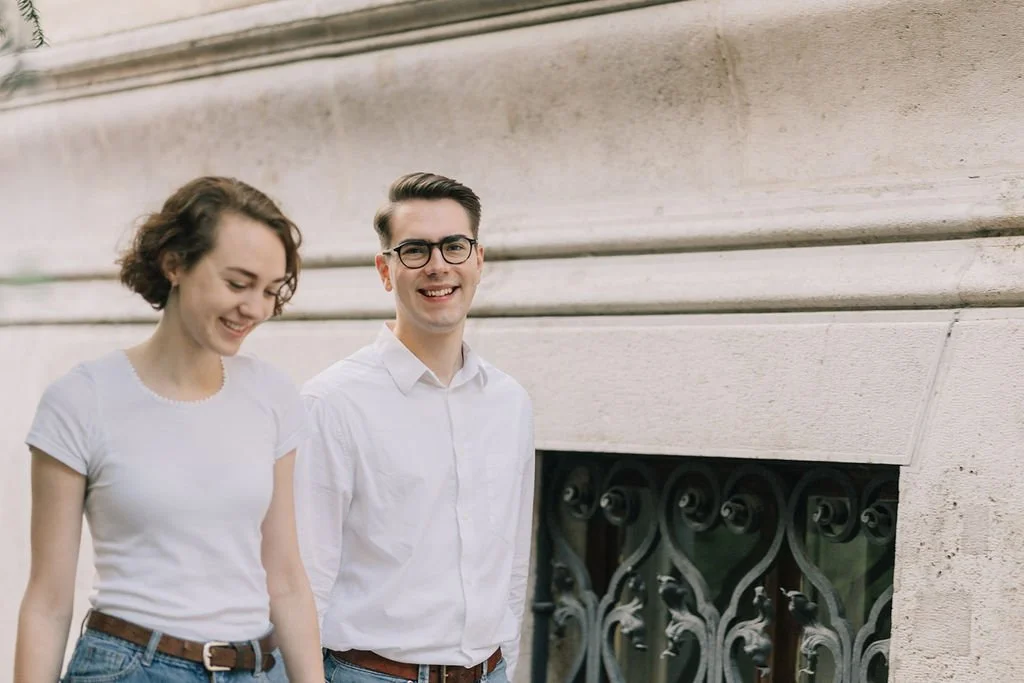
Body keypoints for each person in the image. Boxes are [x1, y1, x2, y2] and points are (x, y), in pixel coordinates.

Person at [14, 177, 323, 683]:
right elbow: (47, 602)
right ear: (174, 262)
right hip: (132, 667)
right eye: (237, 283)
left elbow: (286, 578)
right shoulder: (82, 399)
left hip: (258, 667)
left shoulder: (272, 396)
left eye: (270, 290)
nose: (256, 309)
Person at [296, 172, 535, 683]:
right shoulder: (331, 403)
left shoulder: (510, 402)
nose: (437, 267)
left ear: (478, 260)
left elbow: (512, 565)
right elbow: (303, 582)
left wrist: (507, 666)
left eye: (454, 246)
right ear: (385, 270)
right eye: (415, 251)